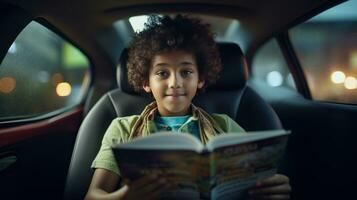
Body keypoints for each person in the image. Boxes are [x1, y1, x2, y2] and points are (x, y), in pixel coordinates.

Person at [85, 15, 291, 200]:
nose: (175, 82)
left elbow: (256, 179)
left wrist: (272, 187)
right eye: (162, 73)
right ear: (145, 81)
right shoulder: (122, 129)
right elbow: (93, 195)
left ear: (200, 79)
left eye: (186, 72)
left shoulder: (225, 126)